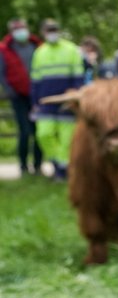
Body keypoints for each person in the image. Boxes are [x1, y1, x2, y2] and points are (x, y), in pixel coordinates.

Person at [30, 19, 83, 181]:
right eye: (49, 30)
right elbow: (35, 80)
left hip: (66, 102)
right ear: (43, 33)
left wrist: (75, 92)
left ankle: (63, 172)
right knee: (43, 134)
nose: (52, 33)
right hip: (45, 103)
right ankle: (57, 163)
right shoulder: (39, 52)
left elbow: (78, 75)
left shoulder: (71, 49)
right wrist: (34, 102)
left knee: (66, 139)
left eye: (54, 30)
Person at [0, 18, 44, 176]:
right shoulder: (5, 49)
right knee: (24, 131)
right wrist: (9, 90)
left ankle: (38, 165)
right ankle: (24, 166)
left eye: (22, 27)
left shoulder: (37, 46)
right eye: (17, 28)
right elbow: (2, 74)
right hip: (18, 96)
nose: (21, 31)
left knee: (38, 131)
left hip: (37, 95)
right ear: (12, 31)